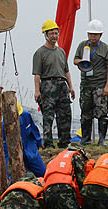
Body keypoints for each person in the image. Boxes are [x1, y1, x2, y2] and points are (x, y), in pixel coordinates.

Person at [33, 19, 74, 149]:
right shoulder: (40, 53)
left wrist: (71, 87)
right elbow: (37, 74)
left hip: (62, 85)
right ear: (45, 34)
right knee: (48, 116)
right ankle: (49, 143)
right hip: (47, 85)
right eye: (51, 33)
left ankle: (64, 142)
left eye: (56, 33)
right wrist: (37, 91)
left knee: (65, 115)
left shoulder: (61, 52)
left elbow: (66, 71)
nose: (54, 36)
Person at [74, 19, 108, 146]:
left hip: (100, 85)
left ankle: (102, 140)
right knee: (86, 112)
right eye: (90, 34)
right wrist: (82, 61)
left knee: (102, 112)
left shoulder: (106, 49)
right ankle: (85, 139)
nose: (92, 36)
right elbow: (75, 60)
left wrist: (107, 85)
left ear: (100, 35)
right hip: (86, 85)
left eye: (95, 34)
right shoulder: (82, 46)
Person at [43, 143, 91, 209]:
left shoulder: (54, 160)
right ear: (81, 153)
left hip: (48, 193)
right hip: (64, 191)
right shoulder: (75, 156)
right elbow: (81, 181)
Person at [3, 103, 46, 178]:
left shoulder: (26, 115)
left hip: (30, 150)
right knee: (12, 179)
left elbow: (34, 129)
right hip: (13, 155)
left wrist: (39, 142)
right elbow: (5, 147)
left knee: (43, 173)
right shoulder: (3, 126)